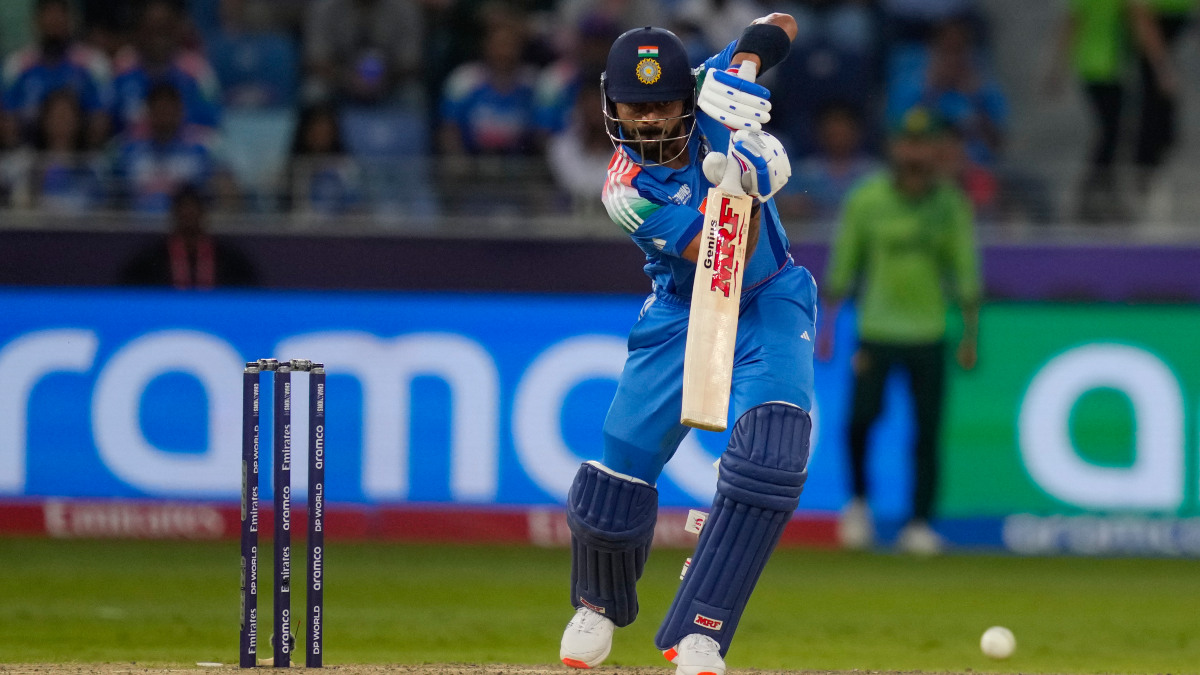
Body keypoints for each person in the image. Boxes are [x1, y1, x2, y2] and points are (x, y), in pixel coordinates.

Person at [558, 16, 815, 675]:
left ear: (685, 92)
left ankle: (699, 632)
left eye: (662, 105)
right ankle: (597, 604)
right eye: (633, 108)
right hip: (685, 305)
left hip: (768, 299)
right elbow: (717, 253)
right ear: (610, 105)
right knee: (620, 471)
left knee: (772, 460)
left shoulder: (711, 86)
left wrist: (748, 71)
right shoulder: (625, 189)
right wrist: (753, 188)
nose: (648, 122)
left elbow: (778, 24)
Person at [816, 107, 980, 556]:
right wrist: (827, 328)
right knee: (859, 424)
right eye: (907, 144)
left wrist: (969, 335)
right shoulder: (867, 200)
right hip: (877, 329)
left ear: (935, 151)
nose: (915, 153)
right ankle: (858, 507)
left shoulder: (949, 205)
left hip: (928, 332)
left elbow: (964, 270)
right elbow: (844, 263)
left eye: (924, 144)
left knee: (927, 431)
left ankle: (920, 523)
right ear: (894, 148)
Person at [2, 0, 111, 149]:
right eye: (48, 14)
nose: (54, 20)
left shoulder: (92, 64)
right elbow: (7, 120)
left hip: (82, 153)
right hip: (26, 154)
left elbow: (101, 118)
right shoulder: (16, 66)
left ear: (71, 19)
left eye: (60, 14)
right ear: (36, 20)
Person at [120, 184, 256, 288]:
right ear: (174, 214)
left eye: (193, 210)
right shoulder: (151, 260)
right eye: (184, 211)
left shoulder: (229, 260)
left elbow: (251, 292)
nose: (188, 215)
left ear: (203, 214)